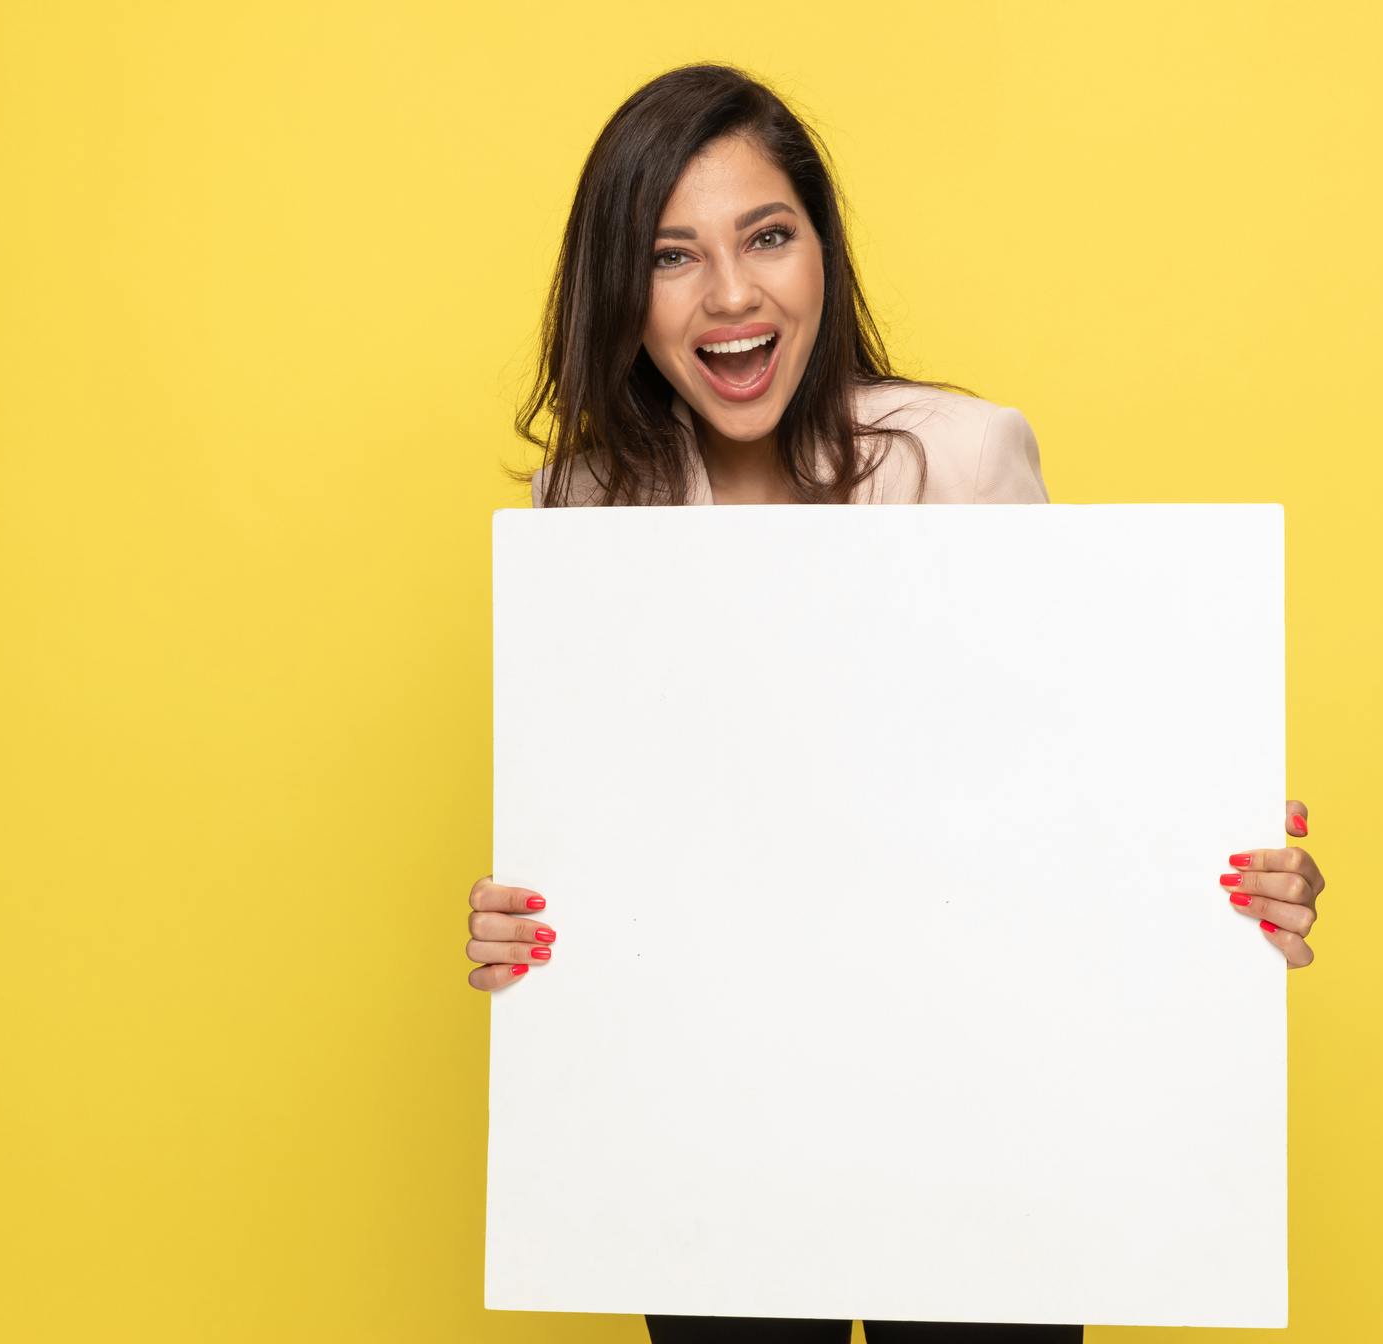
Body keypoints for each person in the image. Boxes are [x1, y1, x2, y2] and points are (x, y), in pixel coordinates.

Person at [461, 64, 1328, 1344]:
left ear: (823, 250)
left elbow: (1072, 796)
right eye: (672, 256)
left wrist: (1223, 881)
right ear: (622, 297)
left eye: (769, 237)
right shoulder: (580, 512)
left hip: (981, 1122)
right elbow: (619, 846)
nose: (734, 294)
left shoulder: (962, 457)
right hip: (716, 1136)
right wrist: (528, 928)